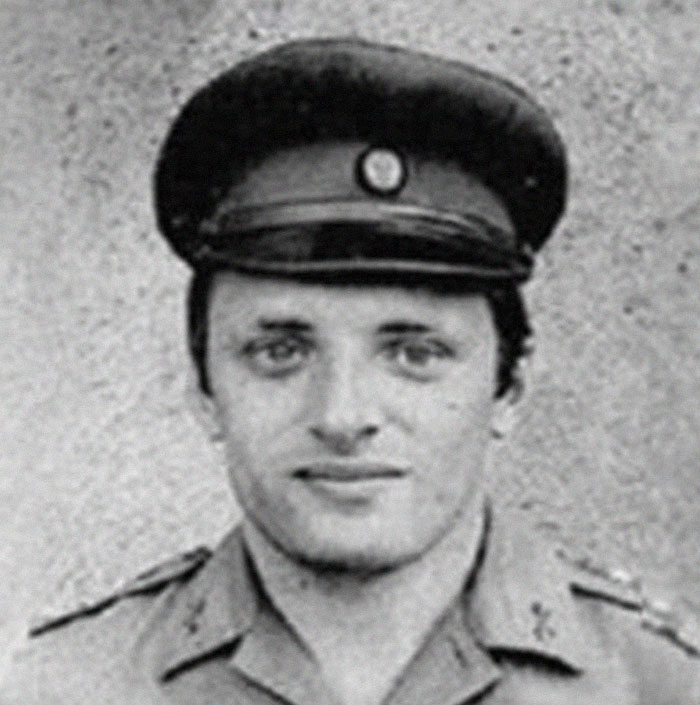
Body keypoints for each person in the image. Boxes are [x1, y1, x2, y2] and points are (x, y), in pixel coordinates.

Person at [3, 38, 699, 705]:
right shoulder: (58, 688)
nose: (341, 416)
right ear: (204, 389)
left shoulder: (660, 686)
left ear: (509, 386)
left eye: (414, 353)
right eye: (280, 351)